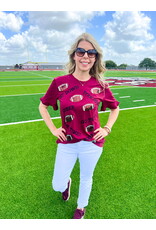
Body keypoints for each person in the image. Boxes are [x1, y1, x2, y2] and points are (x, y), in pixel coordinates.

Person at [39, 33, 119, 219]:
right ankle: (65, 184)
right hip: (67, 141)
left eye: (91, 53)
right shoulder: (60, 83)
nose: (86, 56)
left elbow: (115, 109)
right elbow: (42, 106)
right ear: (74, 55)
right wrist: (53, 129)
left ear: (96, 58)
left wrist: (107, 128)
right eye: (81, 51)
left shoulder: (100, 85)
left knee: (86, 177)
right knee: (56, 184)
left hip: (92, 142)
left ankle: (81, 208)